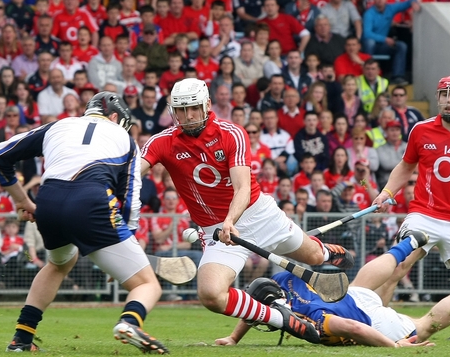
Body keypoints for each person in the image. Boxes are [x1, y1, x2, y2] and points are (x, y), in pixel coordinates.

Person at [139, 78, 353, 343]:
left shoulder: (232, 133)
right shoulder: (162, 142)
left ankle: (325, 251)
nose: (187, 115)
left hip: (257, 215)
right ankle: (281, 318)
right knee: (211, 294)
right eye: (181, 109)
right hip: (216, 232)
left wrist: (230, 220)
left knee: (313, 257)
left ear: (206, 105)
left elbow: (242, 187)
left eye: (193, 107)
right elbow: (133, 174)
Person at [0, 92, 168, 354]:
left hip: (48, 200)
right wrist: (128, 241)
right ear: (115, 116)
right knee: (146, 284)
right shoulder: (126, 140)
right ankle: (129, 322)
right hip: (91, 201)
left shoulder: (59, 125)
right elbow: (130, 200)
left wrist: (24, 201)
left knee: (59, 264)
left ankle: (21, 339)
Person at [216, 229, 450, 347]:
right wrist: (233, 338)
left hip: (369, 322)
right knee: (364, 281)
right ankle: (408, 244)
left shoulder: (308, 320)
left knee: (424, 326)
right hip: (354, 298)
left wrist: (394, 347)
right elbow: (259, 307)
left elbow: (353, 329)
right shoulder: (281, 280)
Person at [369, 75, 450, 339]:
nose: (449, 100)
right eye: (445, 94)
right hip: (423, 214)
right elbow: (406, 166)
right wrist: (386, 192)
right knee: (397, 265)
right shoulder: (421, 129)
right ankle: (371, 323)